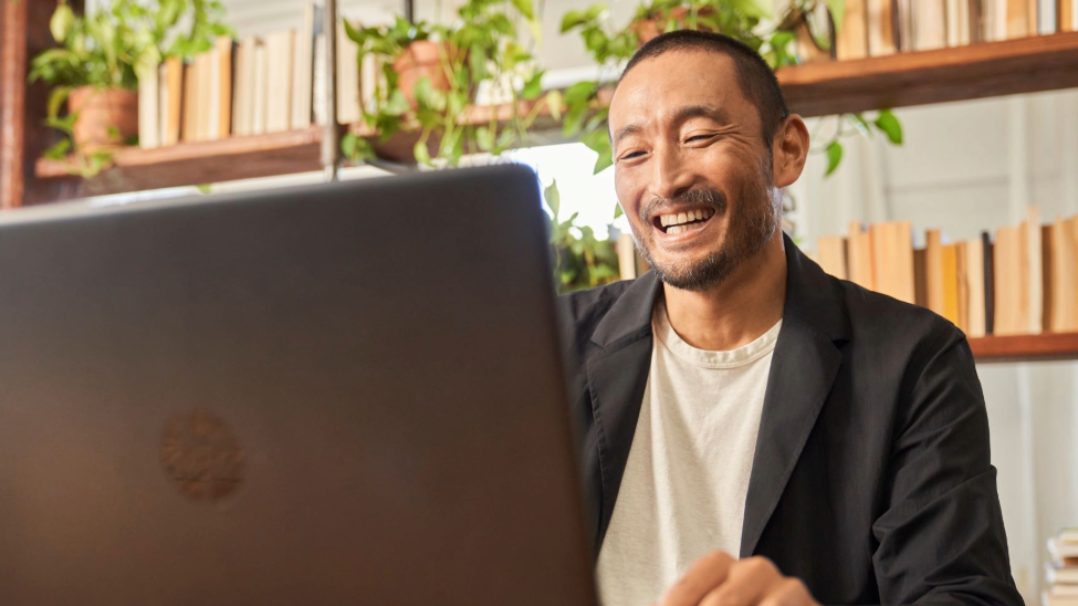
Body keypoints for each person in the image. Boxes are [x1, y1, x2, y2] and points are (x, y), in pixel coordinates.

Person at [555, 30, 1022, 606]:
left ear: (787, 151)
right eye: (634, 153)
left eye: (698, 136)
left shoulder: (913, 360)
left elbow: (961, 595)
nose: (665, 180)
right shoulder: (547, 347)